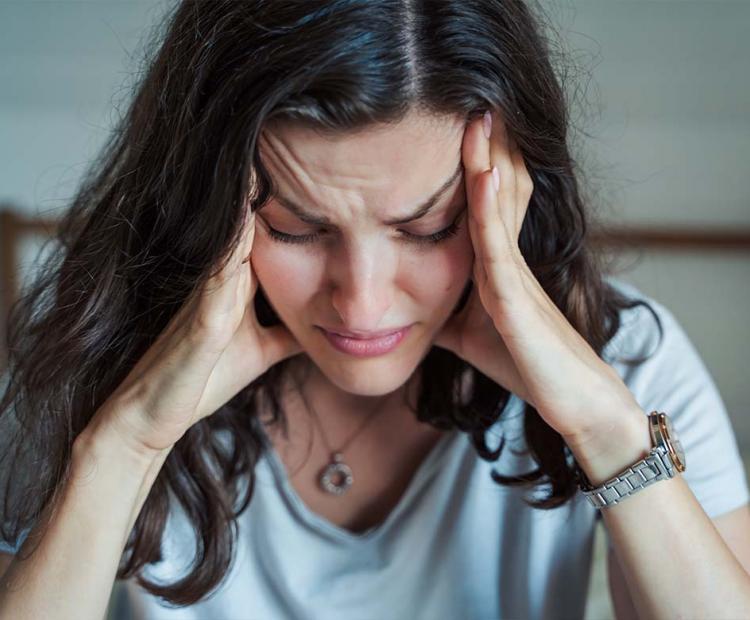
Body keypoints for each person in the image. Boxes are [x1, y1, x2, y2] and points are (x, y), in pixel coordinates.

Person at [1, 1, 749, 619]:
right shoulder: (93, 359)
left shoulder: (625, 361)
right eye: (296, 227)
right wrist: (123, 444)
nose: (362, 300)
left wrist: (604, 431)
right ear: (207, 207)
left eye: (427, 228)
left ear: (512, 195)